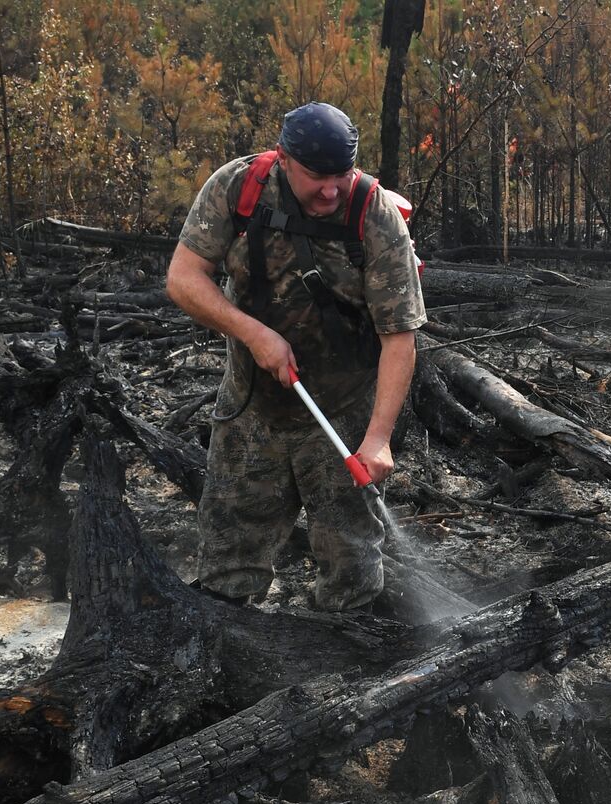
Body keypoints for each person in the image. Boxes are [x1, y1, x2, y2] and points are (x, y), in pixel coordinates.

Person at [166, 102, 425, 612]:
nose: (330, 191)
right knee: (228, 558)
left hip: (344, 409)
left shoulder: (375, 215)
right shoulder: (238, 187)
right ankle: (227, 648)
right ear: (283, 158)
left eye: (341, 175)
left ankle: (347, 668)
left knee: (352, 566)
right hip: (251, 405)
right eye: (316, 177)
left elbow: (399, 337)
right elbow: (182, 278)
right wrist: (255, 335)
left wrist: (377, 440)